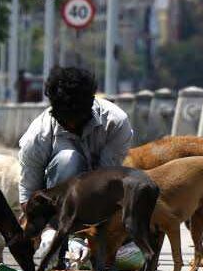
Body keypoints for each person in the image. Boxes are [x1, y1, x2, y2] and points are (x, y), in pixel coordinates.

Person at [18, 65, 133, 225]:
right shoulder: (37, 136)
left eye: (78, 120)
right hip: (56, 206)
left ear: (91, 104)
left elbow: (105, 178)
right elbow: (28, 193)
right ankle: (60, 228)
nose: (72, 126)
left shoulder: (116, 123)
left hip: (100, 197)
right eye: (65, 121)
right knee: (69, 159)